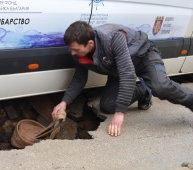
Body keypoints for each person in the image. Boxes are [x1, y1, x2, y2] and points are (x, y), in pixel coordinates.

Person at [52, 21, 193, 136]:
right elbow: (79, 78)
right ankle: (143, 91)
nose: (72, 53)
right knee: (107, 106)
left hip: (143, 57)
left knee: (160, 87)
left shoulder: (112, 38)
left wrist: (120, 114)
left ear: (89, 44)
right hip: (119, 69)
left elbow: (128, 74)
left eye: (76, 49)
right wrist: (65, 102)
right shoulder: (79, 53)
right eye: (71, 49)